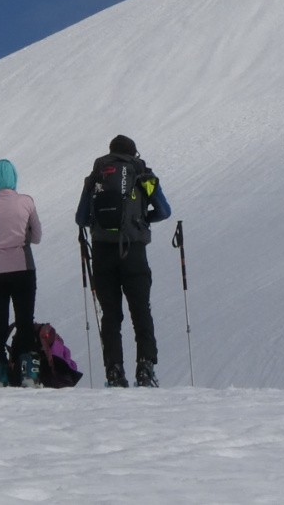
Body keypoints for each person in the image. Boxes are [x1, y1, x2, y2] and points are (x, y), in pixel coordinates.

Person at [76, 135, 172, 387]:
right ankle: (145, 368)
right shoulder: (141, 173)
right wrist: (140, 220)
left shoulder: (97, 175)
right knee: (141, 310)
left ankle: (114, 372)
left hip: (102, 253)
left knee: (110, 315)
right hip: (133, 251)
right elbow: (164, 211)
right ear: (133, 153)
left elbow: (81, 218)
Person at [0, 158, 42, 387]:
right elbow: (36, 236)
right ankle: (28, 372)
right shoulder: (26, 201)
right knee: (25, 319)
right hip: (22, 267)